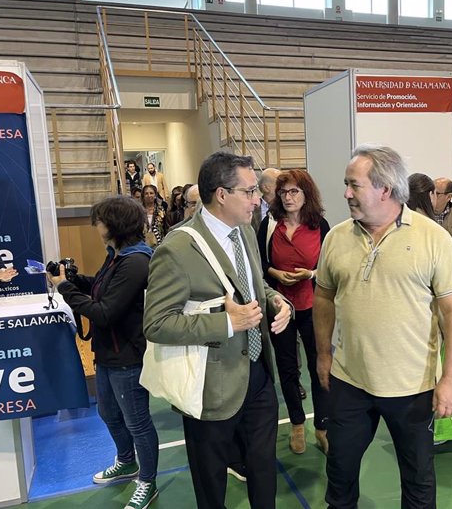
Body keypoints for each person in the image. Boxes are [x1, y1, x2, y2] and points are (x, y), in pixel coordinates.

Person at [314, 144, 452, 509]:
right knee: (339, 475)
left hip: (412, 387)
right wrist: (323, 354)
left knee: (417, 480)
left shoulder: (432, 238)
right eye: (346, 184)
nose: (346, 193)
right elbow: (323, 297)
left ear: (384, 188)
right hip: (350, 382)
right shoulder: (337, 237)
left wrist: (451, 378)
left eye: (354, 185)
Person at [143, 151, 292, 509]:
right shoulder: (178, 247)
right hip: (210, 388)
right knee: (211, 483)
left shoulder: (244, 231)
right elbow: (157, 322)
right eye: (251, 191)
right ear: (222, 194)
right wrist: (227, 322)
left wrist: (276, 300)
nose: (259, 199)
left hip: (258, 376)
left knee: (262, 470)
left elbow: (254, 285)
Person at [47, 195, 159, 509]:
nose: (95, 225)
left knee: (137, 422)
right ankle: (126, 460)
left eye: (99, 220)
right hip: (109, 353)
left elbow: (105, 312)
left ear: (113, 224)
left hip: (128, 357)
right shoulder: (117, 256)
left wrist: (65, 289)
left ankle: (148, 482)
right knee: (108, 413)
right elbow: (100, 287)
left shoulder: (136, 261)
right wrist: (73, 280)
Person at [257, 169, 330, 455]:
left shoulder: (320, 225)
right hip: (280, 307)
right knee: (288, 369)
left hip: (314, 306)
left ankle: (322, 426)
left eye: (294, 192)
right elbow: (259, 264)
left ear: (305, 194)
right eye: (283, 192)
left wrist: (310, 274)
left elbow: (329, 266)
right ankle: (297, 424)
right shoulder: (269, 225)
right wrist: (275, 272)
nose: (288, 198)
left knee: (319, 366)